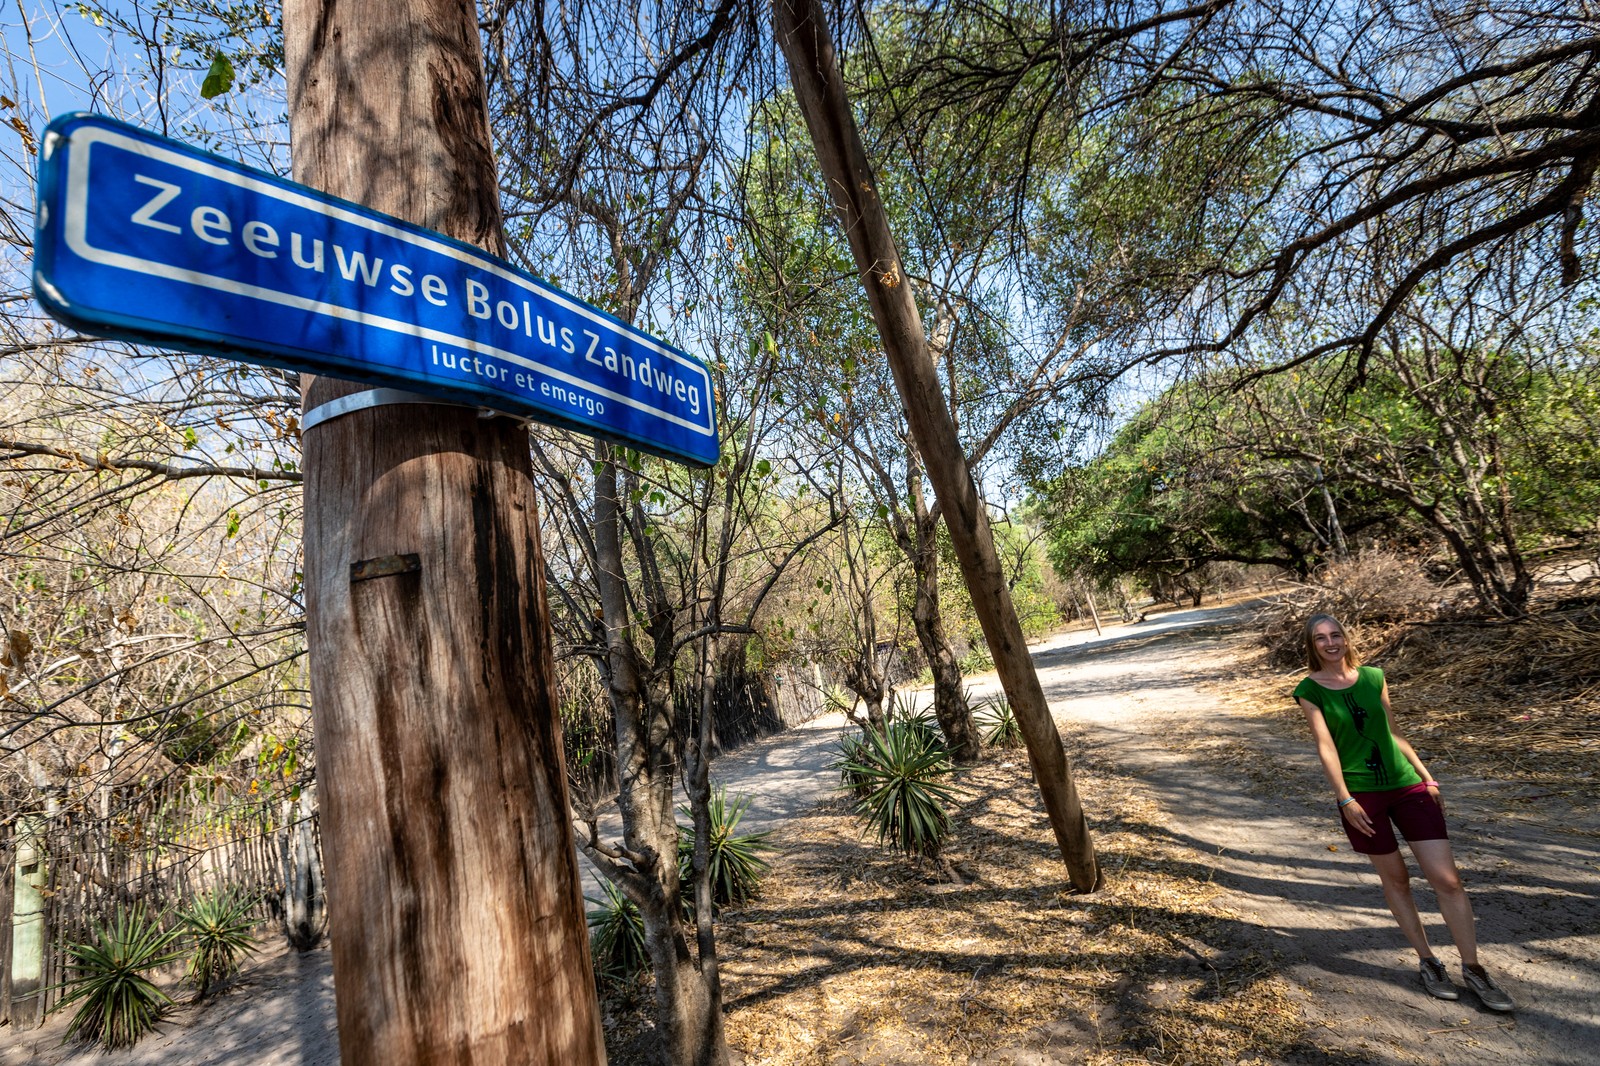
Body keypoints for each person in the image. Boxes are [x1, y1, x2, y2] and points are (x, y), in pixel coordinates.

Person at [1294, 613, 1515, 1011]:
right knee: (1397, 881)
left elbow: (1392, 732)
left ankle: (1474, 968)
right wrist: (1344, 798)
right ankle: (1429, 962)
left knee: (1447, 881)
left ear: (1346, 638)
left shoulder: (1375, 676)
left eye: (1336, 634)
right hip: (1362, 795)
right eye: (1321, 638)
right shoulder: (1310, 689)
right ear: (1312, 646)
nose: (1330, 643)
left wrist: (1426, 775)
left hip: (1406, 783)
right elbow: (1326, 747)